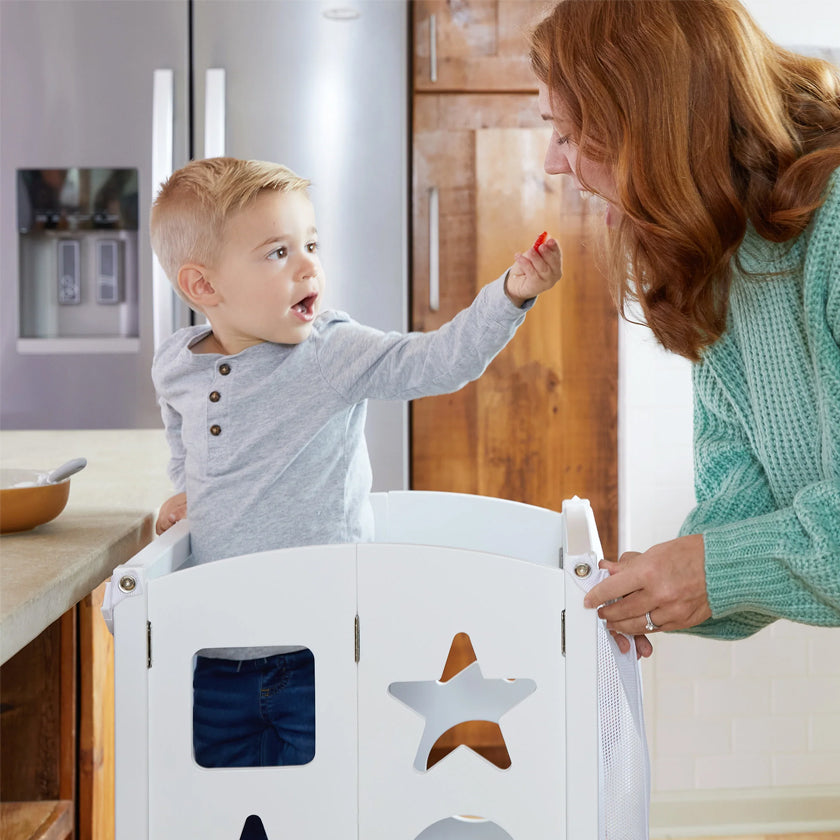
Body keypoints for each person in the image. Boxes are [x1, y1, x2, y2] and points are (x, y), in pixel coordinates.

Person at [148, 157, 562, 779]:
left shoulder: (330, 354)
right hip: (216, 651)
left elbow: (438, 360)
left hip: (320, 649)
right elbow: (183, 444)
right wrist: (184, 492)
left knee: (327, 806)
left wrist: (510, 295)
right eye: (277, 253)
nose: (309, 265)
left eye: (311, 244)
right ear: (203, 287)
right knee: (227, 809)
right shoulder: (176, 363)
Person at [528, 0, 840, 655]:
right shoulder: (721, 258)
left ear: (644, 129)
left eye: (563, 132)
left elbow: (732, 564)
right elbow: (743, 482)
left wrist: (710, 572)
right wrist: (655, 584)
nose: (554, 164)